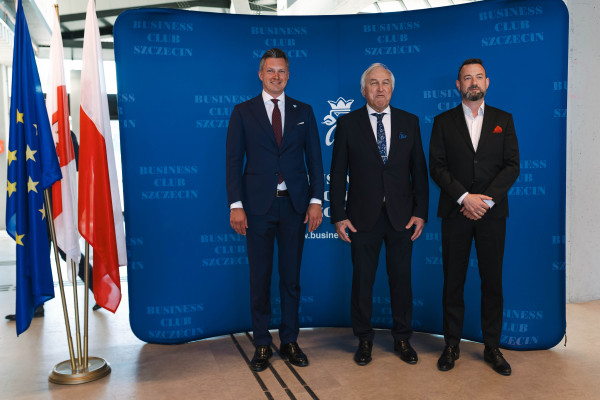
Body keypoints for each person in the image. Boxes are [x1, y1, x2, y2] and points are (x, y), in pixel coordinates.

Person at [226, 48, 324, 372]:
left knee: (291, 278)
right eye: (270, 70)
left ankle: (290, 340)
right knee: (260, 277)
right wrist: (236, 205)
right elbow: (232, 162)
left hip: (295, 207)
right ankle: (262, 343)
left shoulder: (304, 111)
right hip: (256, 208)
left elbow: (315, 160)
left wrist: (316, 200)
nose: (276, 76)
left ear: (288, 75)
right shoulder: (243, 112)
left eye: (281, 71)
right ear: (260, 74)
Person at [330, 63, 429, 366]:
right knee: (362, 282)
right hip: (361, 218)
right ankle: (364, 340)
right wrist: (338, 215)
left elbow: (419, 172)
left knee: (401, 280)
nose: (380, 88)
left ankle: (402, 338)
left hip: (402, 217)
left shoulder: (410, 122)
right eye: (374, 83)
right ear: (364, 90)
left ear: (392, 88)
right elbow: (338, 173)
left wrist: (421, 213)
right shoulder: (348, 124)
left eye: (385, 82)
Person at [429, 58, 520, 376]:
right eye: (467, 78)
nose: (473, 82)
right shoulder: (443, 121)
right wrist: (464, 198)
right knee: (453, 281)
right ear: (458, 85)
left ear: (487, 82)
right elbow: (437, 166)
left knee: (492, 282)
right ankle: (451, 345)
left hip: (492, 215)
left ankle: (492, 346)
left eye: (478, 77)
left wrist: (486, 201)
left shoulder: (504, 120)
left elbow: (512, 165)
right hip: (456, 212)